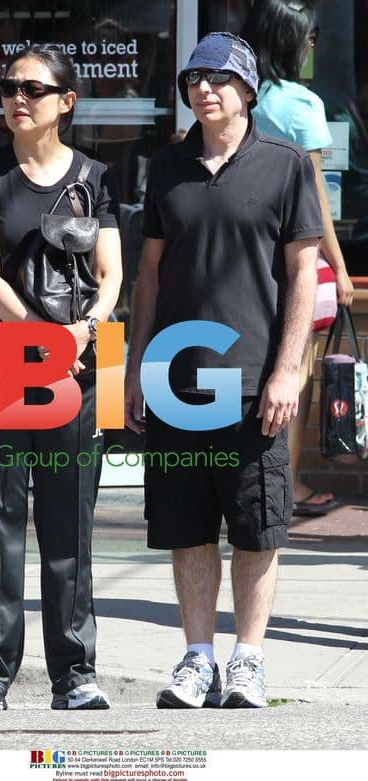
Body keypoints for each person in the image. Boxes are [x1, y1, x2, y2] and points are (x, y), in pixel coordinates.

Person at [125, 32, 322, 708]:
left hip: (252, 380)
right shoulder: (166, 167)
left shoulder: (284, 165)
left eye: (217, 78)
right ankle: (197, 658)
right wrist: (136, 367)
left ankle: (249, 659)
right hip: (176, 381)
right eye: (193, 79)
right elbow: (149, 274)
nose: (202, 89)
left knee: (256, 526)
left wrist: (287, 370)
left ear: (247, 90)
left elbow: (303, 273)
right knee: (185, 527)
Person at [0, 44, 122, 712]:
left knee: (70, 520)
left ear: (66, 102)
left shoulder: (96, 177)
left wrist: (84, 332)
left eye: (32, 88)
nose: (17, 98)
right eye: (9, 87)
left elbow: (110, 274)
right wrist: (42, 339)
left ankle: (75, 673)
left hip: (83, 362)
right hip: (0, 361)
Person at [241, 0, 354, 516]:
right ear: (290, 41)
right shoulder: (300, 103)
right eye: (308, 37)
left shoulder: (238, 97)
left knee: (250, 372)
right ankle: (284, 485)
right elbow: (316, 198)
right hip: (295, 256)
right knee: (296, 374)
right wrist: (341, 267)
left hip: (245, 259)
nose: (311, 46)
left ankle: (251, 481)